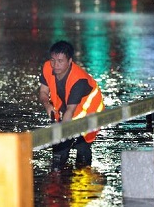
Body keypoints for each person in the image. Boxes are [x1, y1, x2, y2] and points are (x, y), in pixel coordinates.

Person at [38, 40, 105, 170]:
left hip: (88, 115)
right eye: (53, 60)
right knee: (58, 154)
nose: (55, 65)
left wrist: (61, 133)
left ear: (70, 61)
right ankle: (58, 178)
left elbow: (70, 110)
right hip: (66, 112)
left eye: (60, 61)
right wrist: (47, 105)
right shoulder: (47, 68)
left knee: (82, 150)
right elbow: (43, 92)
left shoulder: (79, 80)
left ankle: (83, 176)